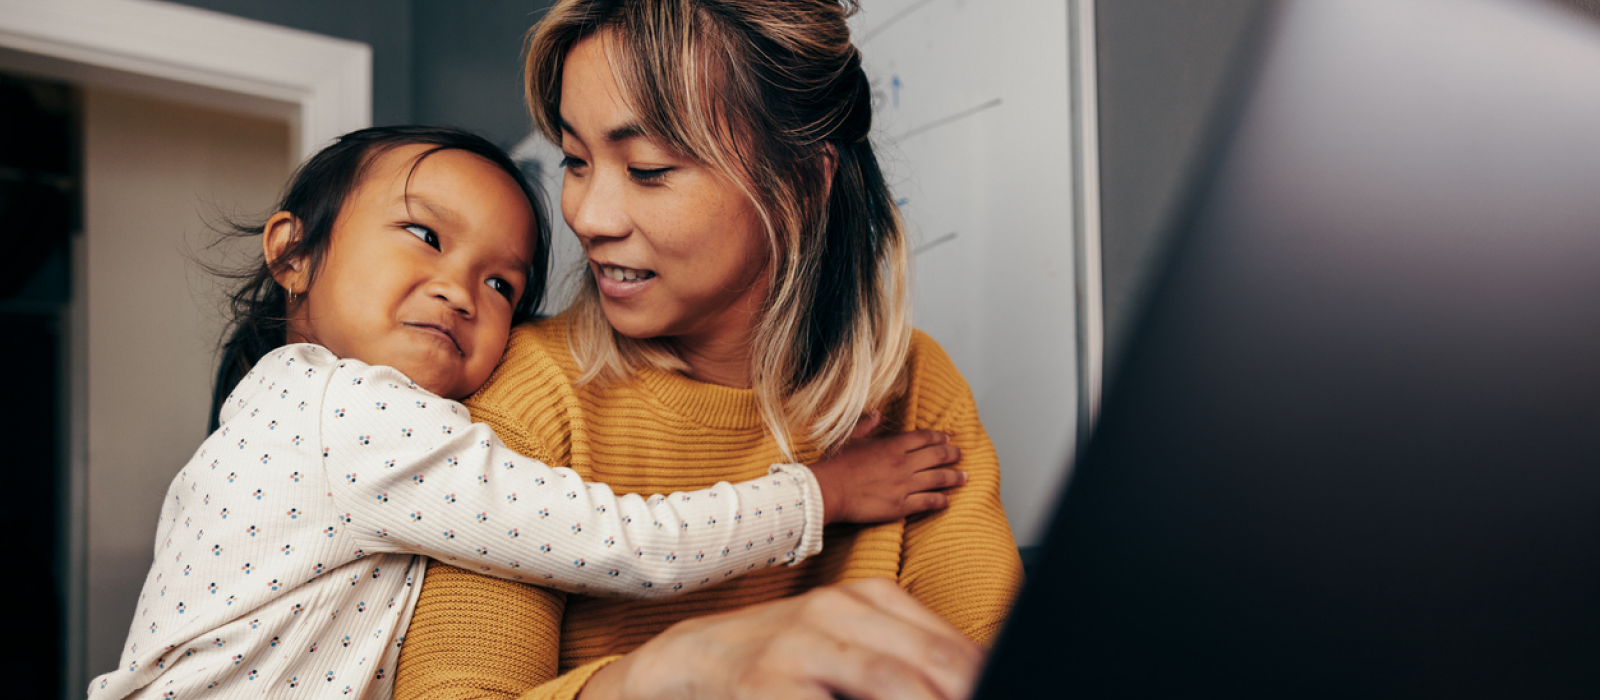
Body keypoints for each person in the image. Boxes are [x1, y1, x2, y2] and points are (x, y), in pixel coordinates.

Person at [88, 126, 966, 700]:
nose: (459, 290)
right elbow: (621, 542)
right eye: (425, 235)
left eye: (501, 282)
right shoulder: (346, 410)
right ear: (293, 253)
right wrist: (819, 495)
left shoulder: (282, 408)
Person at [393, 2, 1025, 699]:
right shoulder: (528, 396)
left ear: (804, 183)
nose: (587, 217)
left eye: (648, 168)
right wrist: (673, 673)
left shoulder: (913, 385)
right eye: (575, 160)